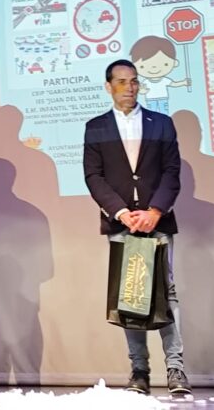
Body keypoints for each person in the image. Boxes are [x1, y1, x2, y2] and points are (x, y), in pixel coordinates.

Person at [83, 59, 191, 397]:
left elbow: (172, 171)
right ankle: (139, 371)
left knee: (166, 292)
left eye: (133, 81)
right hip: (122, 223)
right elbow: (93, 176)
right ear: (108, 87)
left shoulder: (161, 123)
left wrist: (155, 210)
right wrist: (120, 212)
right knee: (130, 295)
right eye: (121, 82)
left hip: (157, 221)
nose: (129, 87)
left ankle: (175, 369)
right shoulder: (96, 127)